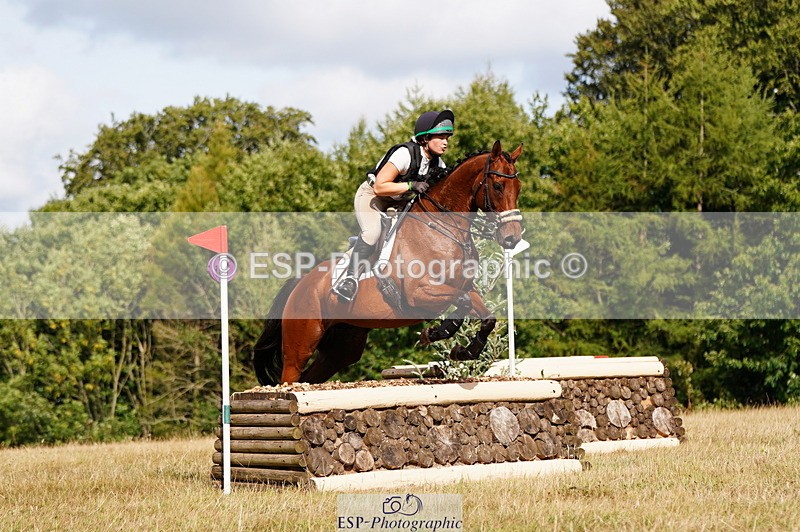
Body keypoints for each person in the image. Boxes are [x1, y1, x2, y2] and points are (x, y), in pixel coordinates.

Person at [332, 109, 455, 300]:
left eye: (447, 137)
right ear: (425, 138)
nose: (445, 142)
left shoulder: (439, 166)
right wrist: (411, 185)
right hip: (373, 196)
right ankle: (349, 279)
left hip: (398, 202)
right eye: (440, 137)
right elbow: (381, 187)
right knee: (372, 233)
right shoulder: (404, 154)